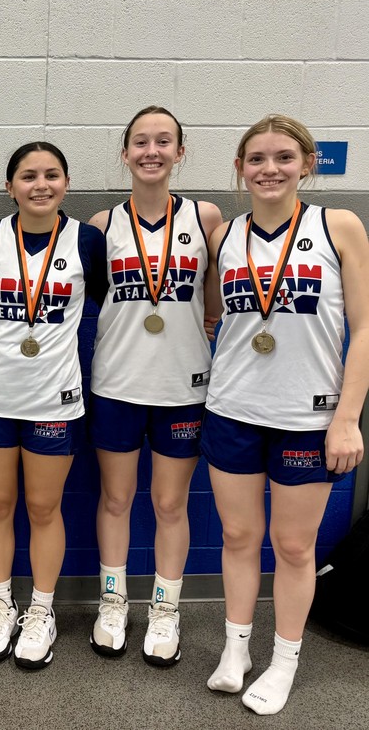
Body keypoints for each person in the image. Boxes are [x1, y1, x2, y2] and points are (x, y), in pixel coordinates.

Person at [202, 115, 368, 715]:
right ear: (239, 167)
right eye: (256, 159)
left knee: (294, 547)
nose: (269, 169)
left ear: (307, 164)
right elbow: (216, 317)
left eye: (283, 157)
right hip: (232, 410)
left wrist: (346, 418)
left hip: (307, 417)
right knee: (238, 536)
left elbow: (364, 327)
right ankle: (236, 649)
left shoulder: (338, 226)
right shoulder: (225, 237)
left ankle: (284, 660)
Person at [87, 106, 223, 665]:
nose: (152, 151)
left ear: (180, 152)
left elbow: (213, 300)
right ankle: (112, 601)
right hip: (117, 381)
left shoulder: (205, 216)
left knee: (170, 503)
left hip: (183, 386)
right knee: (116, 498)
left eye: (163, 141)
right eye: (141, 142)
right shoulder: (101, 224)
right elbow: (98, 299)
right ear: (124, 153)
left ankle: (165, 609)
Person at [0, 142, 106, 669]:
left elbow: (105, 304)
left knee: (44, 509)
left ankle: (41, 611)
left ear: (66, 183)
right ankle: (1, 606)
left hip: (54, 399)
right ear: (10, 187)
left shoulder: (86, 241)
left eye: (51, 175)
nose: (40, 185)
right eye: (28, 176)